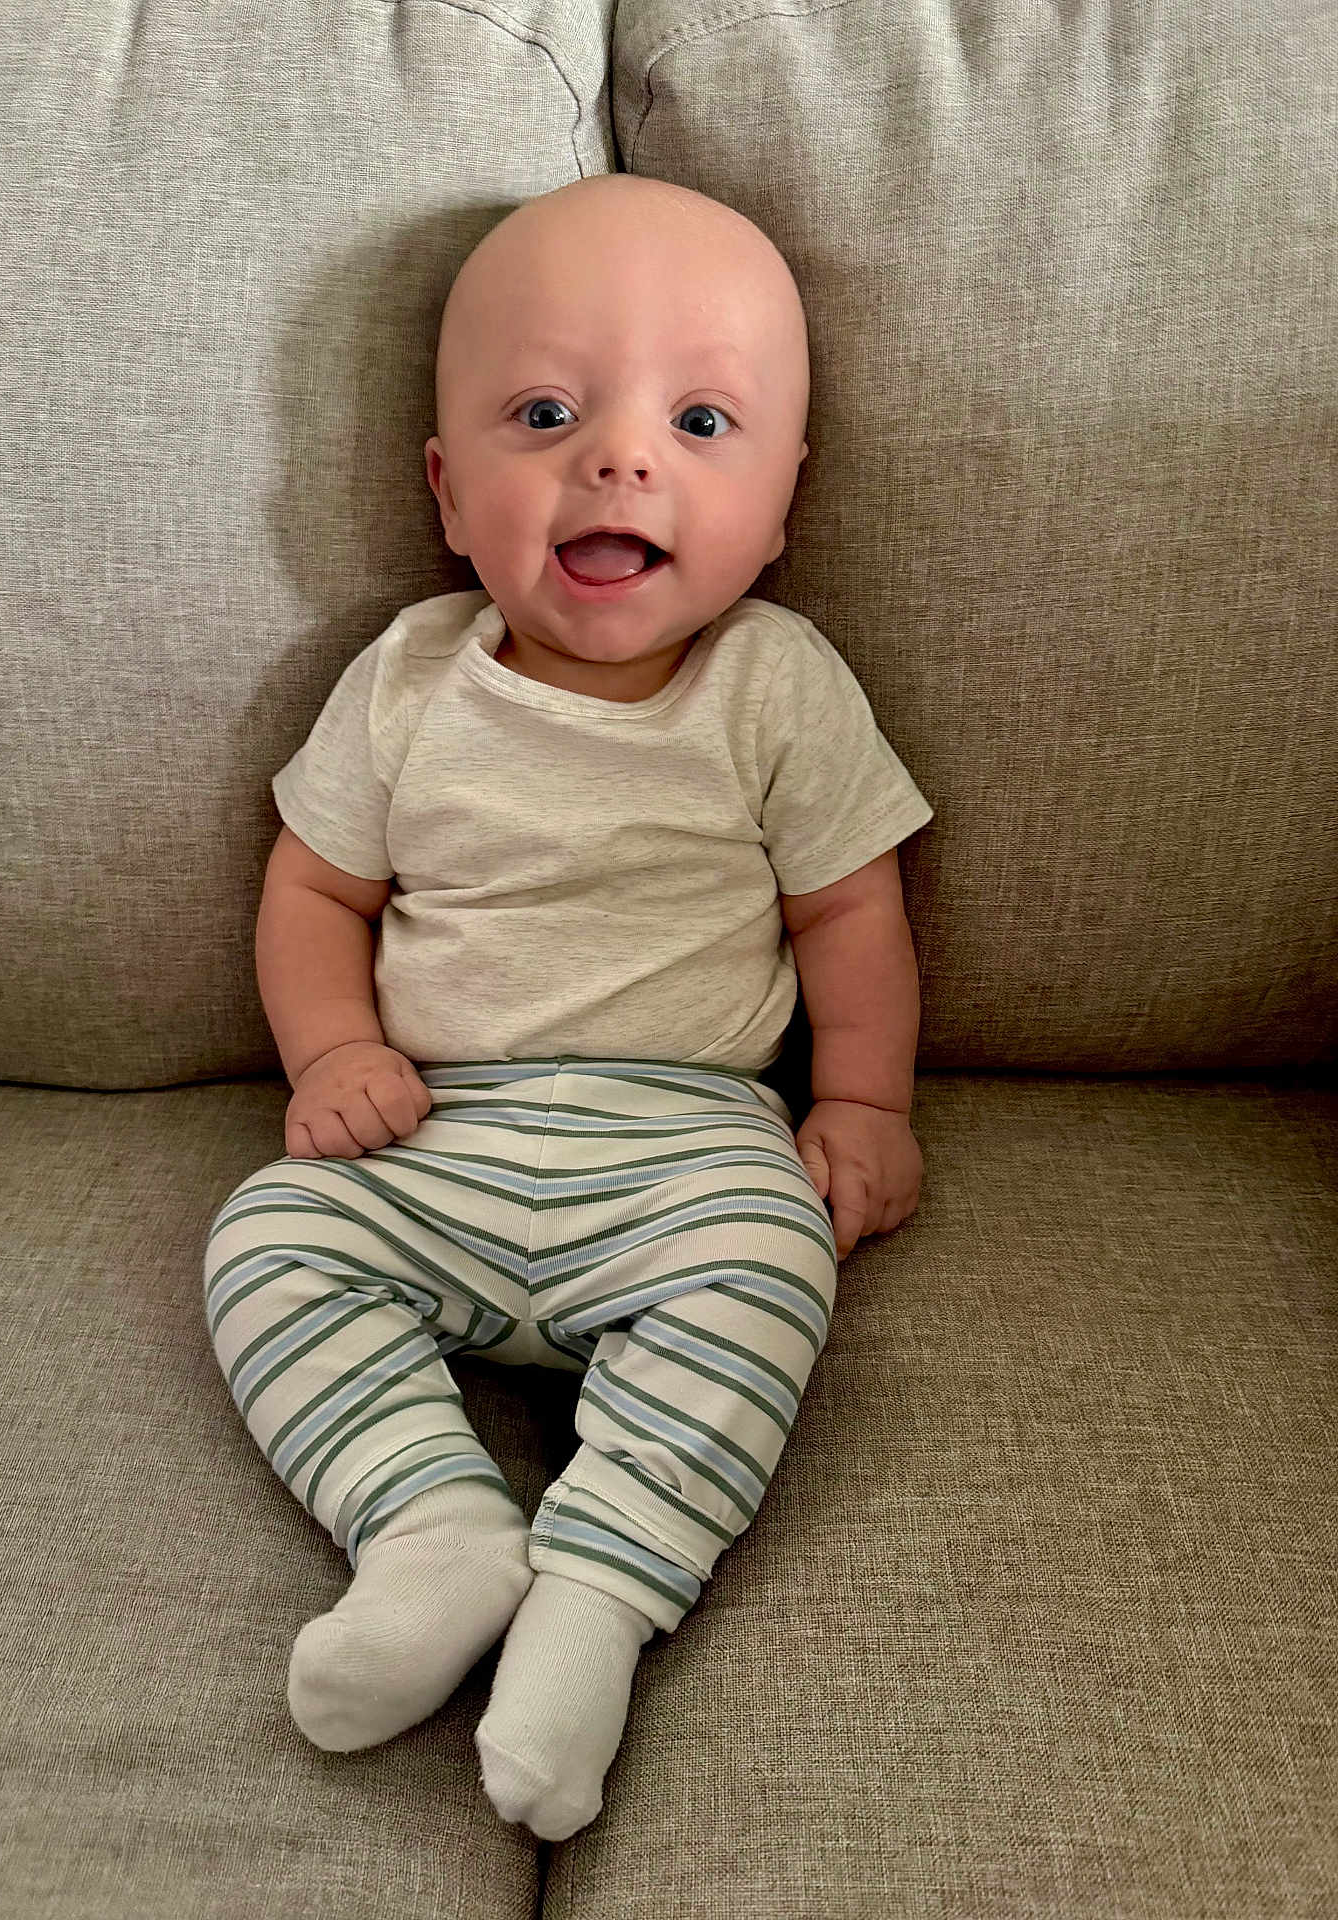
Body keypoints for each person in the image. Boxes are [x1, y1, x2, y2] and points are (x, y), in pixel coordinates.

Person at [203, 173, 933, 1841]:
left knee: (770, 1267)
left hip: (686, 1147)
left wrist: (868, 1105)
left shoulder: (779, 685)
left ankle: (600, 1592)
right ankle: (433, 1527)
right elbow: (315, 890)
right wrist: (333, 1052)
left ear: (784, 495)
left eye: (699, 418)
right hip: (434, 1135)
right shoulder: (403, 678)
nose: (621, 457)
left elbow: (851, 912)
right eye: (549, 413)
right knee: (263, 1240)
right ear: (452, 491)